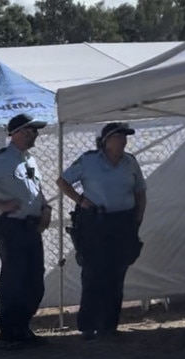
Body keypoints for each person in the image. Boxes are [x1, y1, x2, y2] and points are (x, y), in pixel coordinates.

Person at [57, 122, 147, 341]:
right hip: (96, 223)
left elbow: (140, 192)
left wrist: (137, 219)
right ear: (106, 140)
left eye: (125, 137)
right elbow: (62, 181)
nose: (124, 140)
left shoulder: (130, 162)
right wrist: (80, 200)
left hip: (123, 223)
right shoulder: (88, 161)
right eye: (119, 136)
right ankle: (88, 325)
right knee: (93, 274)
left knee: (117, 274)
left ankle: (109, 325)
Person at [0, 113, 51, 350]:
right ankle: (10, 330)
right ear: (17, 132)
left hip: (31, 226)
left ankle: (23, 326)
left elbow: (36, 189)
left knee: (34, 279)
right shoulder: (3, 159)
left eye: (35, 131)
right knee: (15, 279)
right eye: (30, 130)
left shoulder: (29, 160)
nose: (34, 134)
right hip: (12, 226)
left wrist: (45, 207)